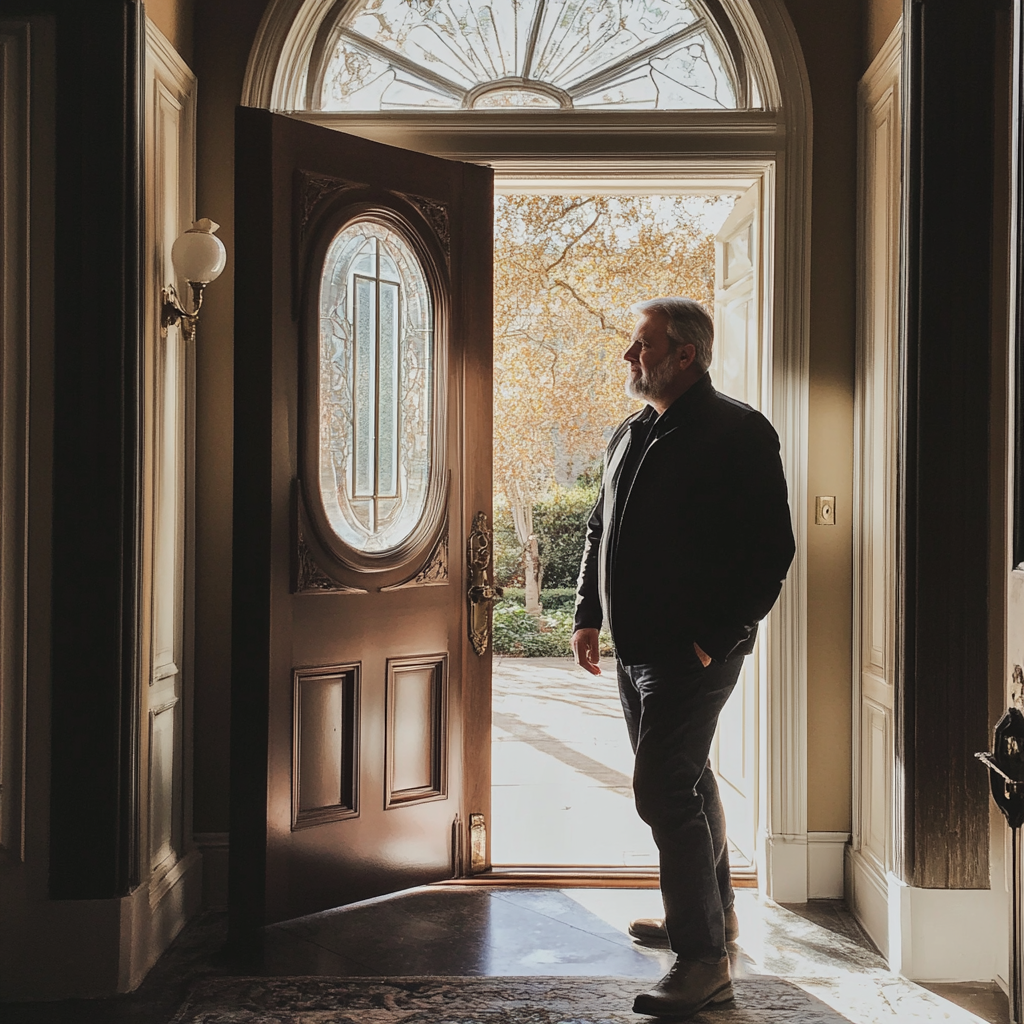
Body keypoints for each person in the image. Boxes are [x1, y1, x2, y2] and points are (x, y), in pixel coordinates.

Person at [571, 297, 795, 1019]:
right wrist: (587, 613)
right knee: (688, 780)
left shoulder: (738, 430)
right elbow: (598, 527)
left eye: (641, 345)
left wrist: (714, 636)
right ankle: (714, 914)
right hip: (635, 647)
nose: (629, 357)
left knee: (662, 789)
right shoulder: (631, 430)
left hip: (693, 653)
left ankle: (703, 963)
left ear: (684, 354)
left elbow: (771, 550)